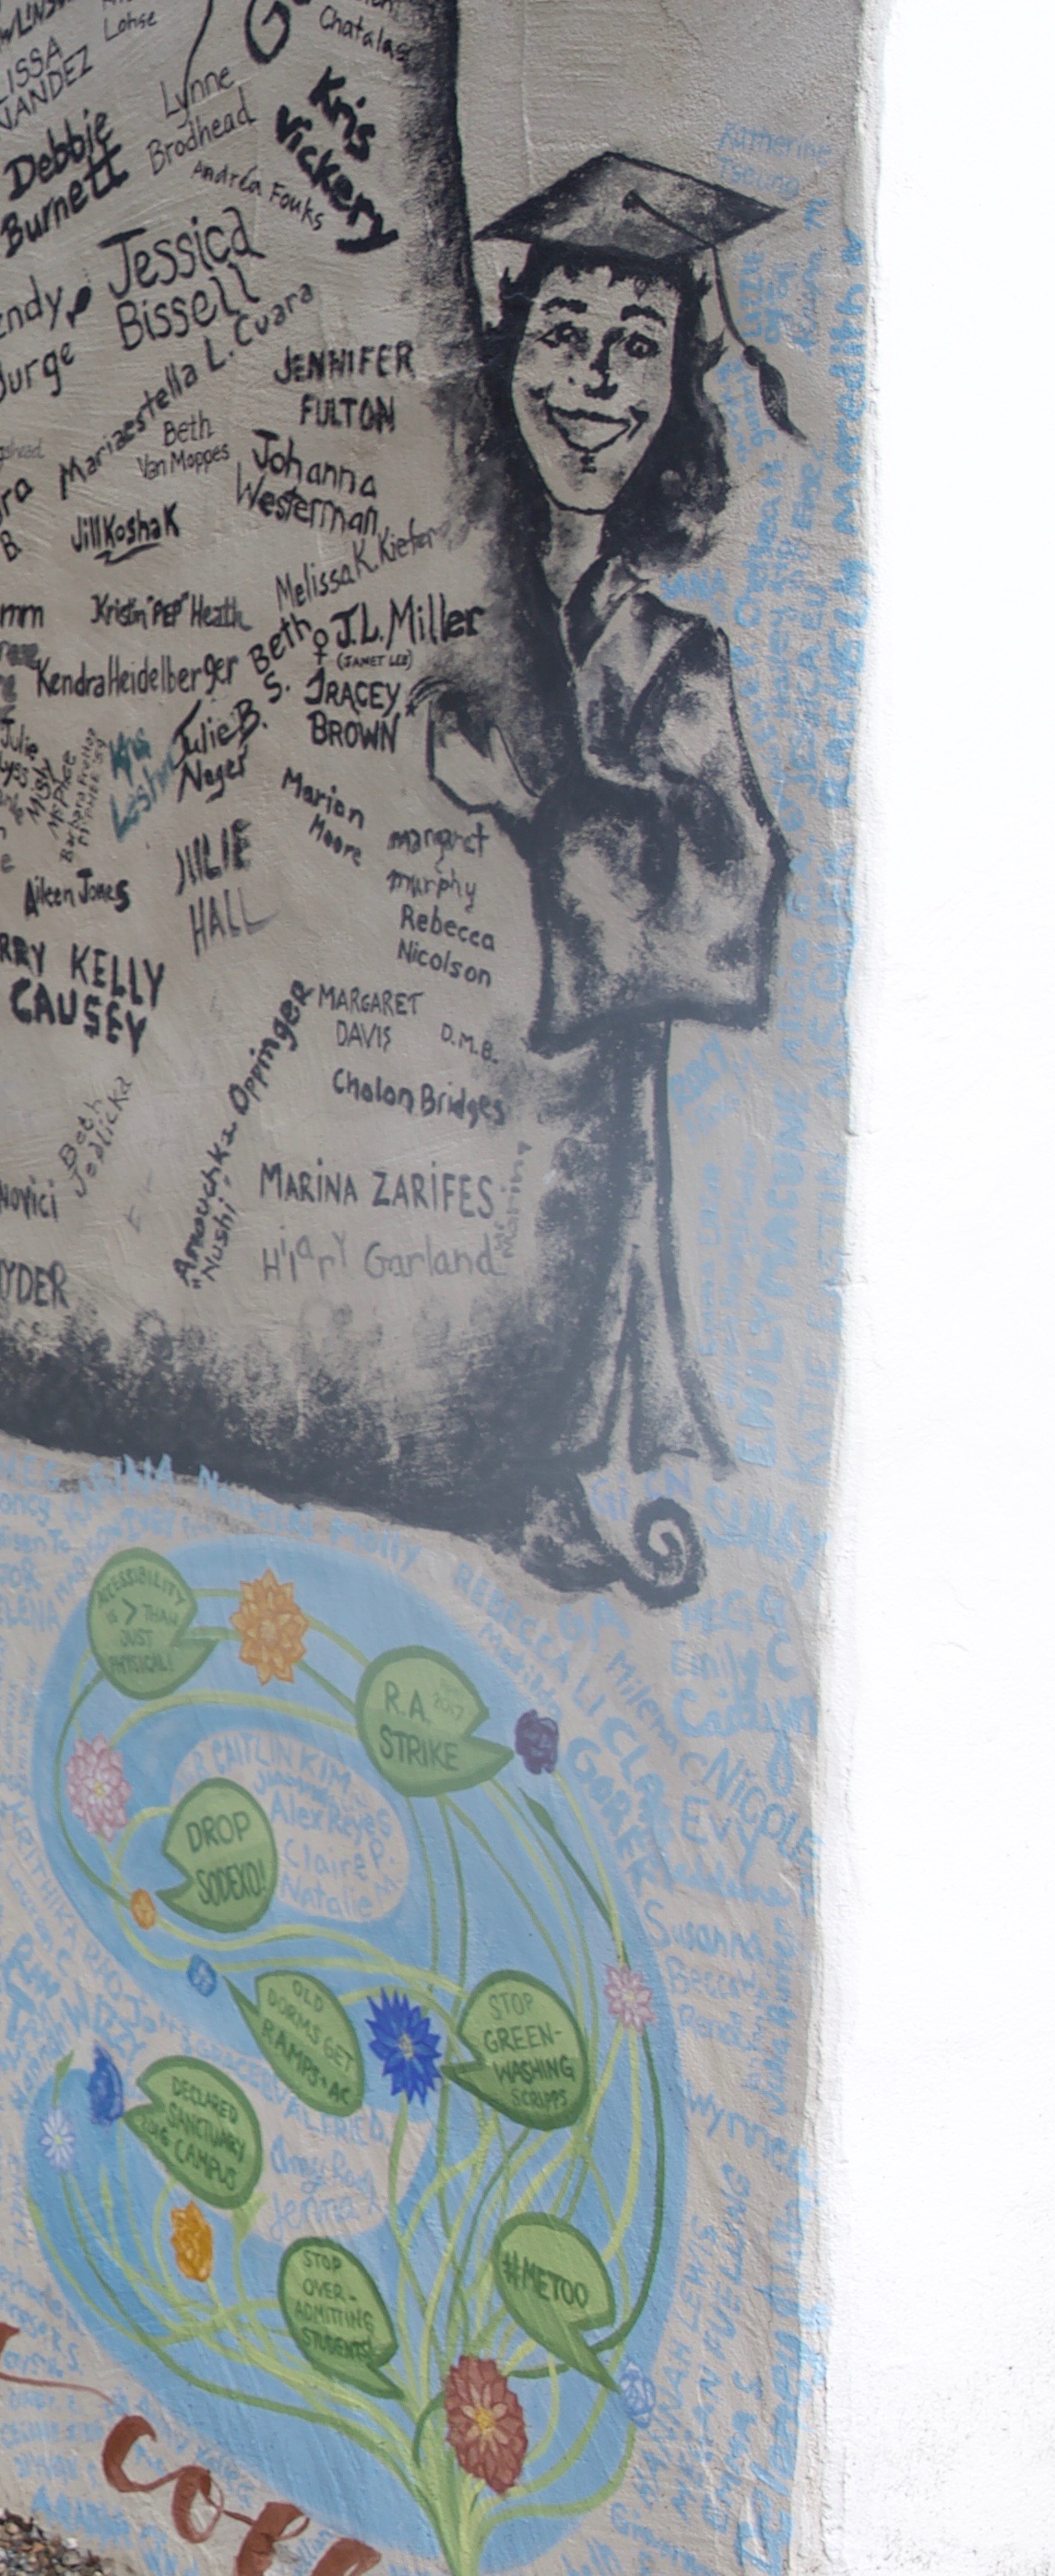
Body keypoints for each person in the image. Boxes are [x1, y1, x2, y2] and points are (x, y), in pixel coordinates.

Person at [421, 151, 796, 1600]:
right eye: (563, 340)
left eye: (635, 349)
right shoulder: (455, 611)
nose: (593, 387)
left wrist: (537, 806)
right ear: (510, 354)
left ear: (677, 389)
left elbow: (731, 897)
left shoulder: (672, 661)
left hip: (584, 1106)